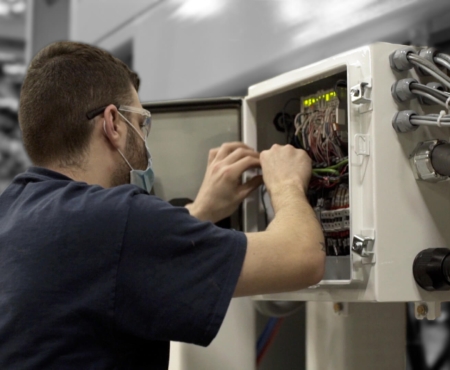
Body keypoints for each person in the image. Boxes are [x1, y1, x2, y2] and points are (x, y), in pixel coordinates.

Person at [0, 41, 325, 369]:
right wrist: (286, 185)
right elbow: (303, 257)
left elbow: (109, 261)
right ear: (113, 124)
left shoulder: (13, 212)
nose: (143, 139)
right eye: (141, 124)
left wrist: (201, 210)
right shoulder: (117, 220)